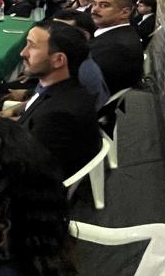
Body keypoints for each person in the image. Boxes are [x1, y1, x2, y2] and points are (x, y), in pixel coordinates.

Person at [14, 22, 102, 180]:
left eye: (32, 46)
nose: (23, 52)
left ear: (58, 60)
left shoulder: (58, 116)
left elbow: (31, 172)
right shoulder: (62, 90)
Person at [88, 0, 144, 95]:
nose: (94, 9)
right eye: (94, 4)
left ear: (125, 13)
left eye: (104, 5)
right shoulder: (121, 35)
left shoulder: (116, 48)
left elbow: (89, 82)